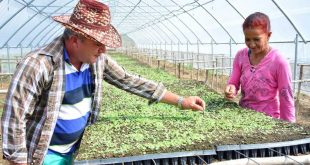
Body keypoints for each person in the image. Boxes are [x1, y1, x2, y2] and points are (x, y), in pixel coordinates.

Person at [1, 0, 205, 164]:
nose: (104, 50)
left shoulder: (97, 61)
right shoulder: (38, 65)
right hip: (44, 155)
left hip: (77, 150)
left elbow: (130, 81)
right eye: (98, 43)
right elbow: (14, 120)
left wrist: (181, 101)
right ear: (75, 40)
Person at [224, 12, 295, 123]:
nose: (252, 44)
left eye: (256, 39)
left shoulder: (279, 61)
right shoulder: (240, 56)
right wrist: (231, 88)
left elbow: (286, 97)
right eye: (247, 39)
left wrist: (289, 127)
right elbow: (234, 82)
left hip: (269, 120)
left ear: (268, 35)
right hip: (242, 116)